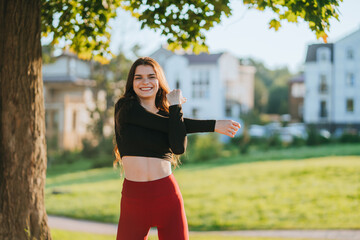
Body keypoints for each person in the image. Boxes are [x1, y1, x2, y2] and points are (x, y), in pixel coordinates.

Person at [113, 57, 241, 240]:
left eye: (151, 76)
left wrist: (175, 108)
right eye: (138, 77)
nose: (145, 82)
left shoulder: (173, 117)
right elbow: (158, 123)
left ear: (159, 81)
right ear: (131, 82)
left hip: (166, 195)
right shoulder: (125, 108)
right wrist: (213, 125)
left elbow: (179, 148)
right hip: (134, 199)